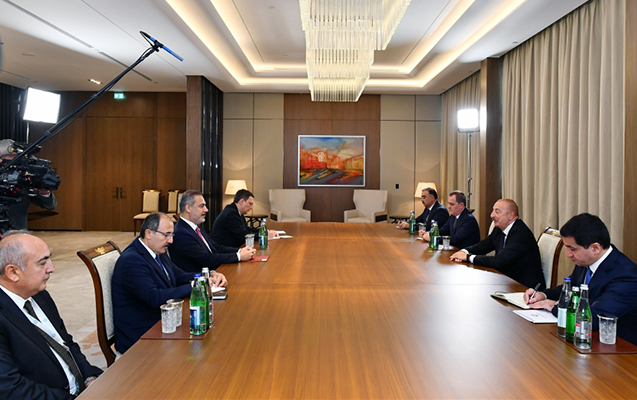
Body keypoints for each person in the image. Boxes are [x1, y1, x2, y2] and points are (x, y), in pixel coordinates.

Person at [0, 231, 102, 399]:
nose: (52, 268)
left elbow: (66, 343)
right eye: (42, 263)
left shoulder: (40, 295)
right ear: (13, 272)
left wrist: (89, 377)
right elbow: (10, 388)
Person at [112, 212, 227, 354]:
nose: (171, 240)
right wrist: (195, 286)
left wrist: (207, 276)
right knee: (204, 349)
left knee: (213, 334)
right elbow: (155, 297)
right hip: (142, 335)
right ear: (148, 233)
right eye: (166, 235)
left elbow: (179, 275)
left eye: (172, 235)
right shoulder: (131, 260)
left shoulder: (157, 250)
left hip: (166, 320)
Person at [525, 213, 637, 345]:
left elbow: (593, 318)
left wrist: (553, 306)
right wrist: (543, 295)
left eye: (572, 249)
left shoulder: (626, 276)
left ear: (595, 248)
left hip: (618, 348)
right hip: (584, 340)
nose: (568, 254)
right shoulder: (585, 262)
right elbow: (570, 288)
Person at [450, 199, 545, 289]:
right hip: (506, 281)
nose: (492, 215)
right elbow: (483, 246)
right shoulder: (500, 229)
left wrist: (468, 257)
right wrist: (463, 252)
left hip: (525, 287)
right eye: (493, 211)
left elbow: (499, 261)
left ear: (511, 215)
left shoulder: (520, 234)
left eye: (497, 212)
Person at [170, 190, 256, 272]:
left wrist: (240, 251)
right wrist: (238, 256)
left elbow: (216, 247)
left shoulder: (196, 228)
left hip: (214, 272)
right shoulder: (181, 233)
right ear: (188, 208)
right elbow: (206, 259)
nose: (206, 210)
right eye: (201, 206)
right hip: (200, 278)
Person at [0, 141, 57, 231]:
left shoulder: (24, 179)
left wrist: (45, 193)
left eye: (17, 156)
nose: (16, 161)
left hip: (17, 234)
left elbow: (50, 206)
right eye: (11, 157)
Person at [211, 189, 278, 248]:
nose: (252, 208)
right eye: (250, 204)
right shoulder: (231, 214)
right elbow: (243, 236)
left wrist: (264, 231)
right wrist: (264, 235)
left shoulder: (236, 211)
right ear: (242, 202)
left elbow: (246, 229)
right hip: (224, 250)